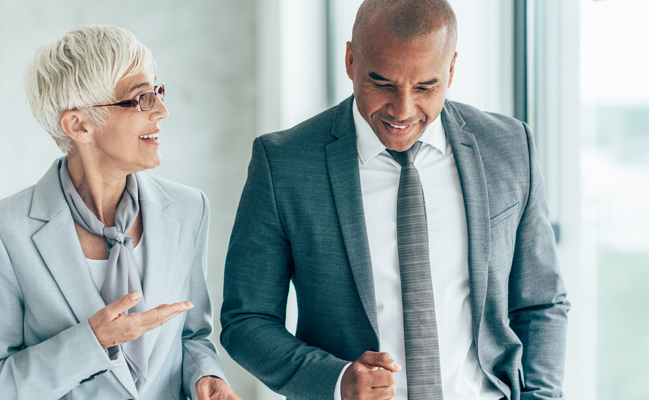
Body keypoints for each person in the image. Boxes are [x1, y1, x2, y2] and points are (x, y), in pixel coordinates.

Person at [219, 1, 568, 400]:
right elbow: (246, 320)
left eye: (425, 86)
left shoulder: (509, 147)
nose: (402, 110)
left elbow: (541, 303)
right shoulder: (283, 163)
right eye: (382, 83)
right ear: (350, 60)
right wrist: (336, 381)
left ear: (451, 69)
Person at [0, 25, 239, 400]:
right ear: (78, 125)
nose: (162, 111)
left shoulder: (190, 210)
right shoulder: (1, 231)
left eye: (156, 91)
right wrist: (92, 342)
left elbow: (191, 336)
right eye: (140, 98)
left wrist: (206, 377)